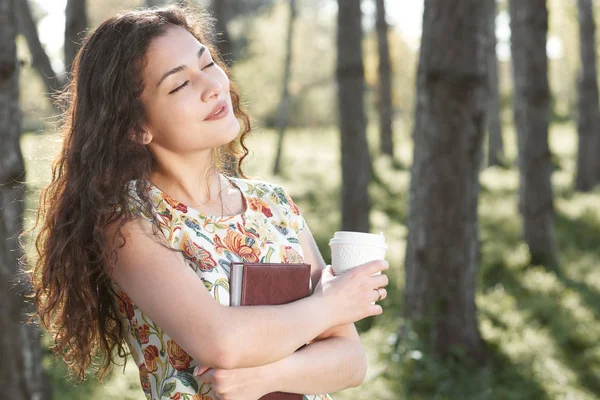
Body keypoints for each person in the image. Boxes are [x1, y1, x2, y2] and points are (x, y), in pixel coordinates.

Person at [29, 4, 389, 400]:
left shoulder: (274, 204)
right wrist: (333, 303)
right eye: (179, 84)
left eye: (208, 63)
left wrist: (268, 376)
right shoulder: (129, 223)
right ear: (136, 126)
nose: (213, 86)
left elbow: (351, 361)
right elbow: (222, 342)